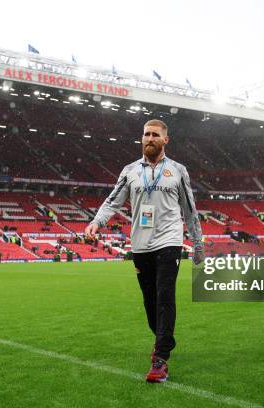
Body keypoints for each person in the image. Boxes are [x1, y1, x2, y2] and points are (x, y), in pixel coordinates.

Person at [85, 119, 204, 383]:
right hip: (140, 244)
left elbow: (189, 209)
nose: (149, 138)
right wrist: (97, 222)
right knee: (150, 302)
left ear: (165, 140)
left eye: (155, 135)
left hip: (169, 242)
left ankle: (160, 359)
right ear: (142, 138)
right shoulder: (129, 171)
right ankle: (164, 339)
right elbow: (113, 200)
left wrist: (197, 243)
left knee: (164, 297)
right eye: (146, 134)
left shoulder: (177, 170)